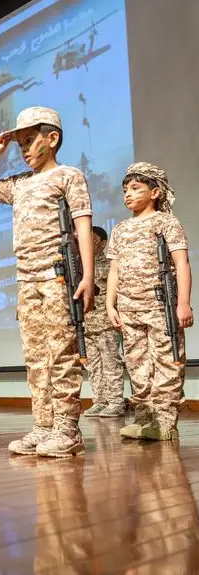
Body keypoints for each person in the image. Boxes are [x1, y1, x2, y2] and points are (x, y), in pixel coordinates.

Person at [0, 106, 94, 458]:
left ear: (52, 138)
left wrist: (87, 275)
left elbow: (83, 224)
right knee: (36, 357)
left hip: (57, 275)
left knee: (61, 354)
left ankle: (67, 429)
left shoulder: (67, 176)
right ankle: (43, 426)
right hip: (27, 281)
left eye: (29, 141)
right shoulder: (19, 184)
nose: (24, 150)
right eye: (20, 143)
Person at [106, 162, 193, 441]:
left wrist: (183, 303)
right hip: (129, 308)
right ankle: (145, 419)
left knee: (167, 362)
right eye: (125, 190)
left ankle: (165, 422)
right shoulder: (120, 229)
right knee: (137, 364)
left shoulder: (166, 222)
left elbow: (181, 263)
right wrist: (110, 304)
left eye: (135, 188)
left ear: (155, 192)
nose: (127, 195)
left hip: (159, 306)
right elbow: (115, 270)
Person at [83, 226, 126, 417]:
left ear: (102, 243)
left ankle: (116, 402)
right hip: (87, 324)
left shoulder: (110, 265)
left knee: (111, 364)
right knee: (93, 366)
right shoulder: (81, 266)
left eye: (90, 239)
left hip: (106, 322)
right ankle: (100, 400)